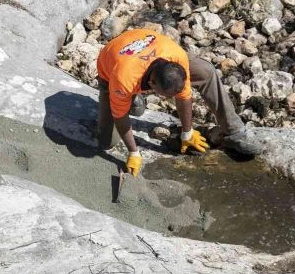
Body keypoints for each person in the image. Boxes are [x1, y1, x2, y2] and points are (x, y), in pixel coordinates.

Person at [96, 28, 261, 176]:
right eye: (167, 95)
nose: (170, 99)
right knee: (107, 142)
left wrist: (187, 133)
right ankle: (129, 98)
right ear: (152, 85)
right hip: (112, 64)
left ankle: (234, 130)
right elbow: (120, 116)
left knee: (206, 72)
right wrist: (133, 152)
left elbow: (184, 96)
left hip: (149, 43)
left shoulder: (177, 58)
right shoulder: (123, 78)